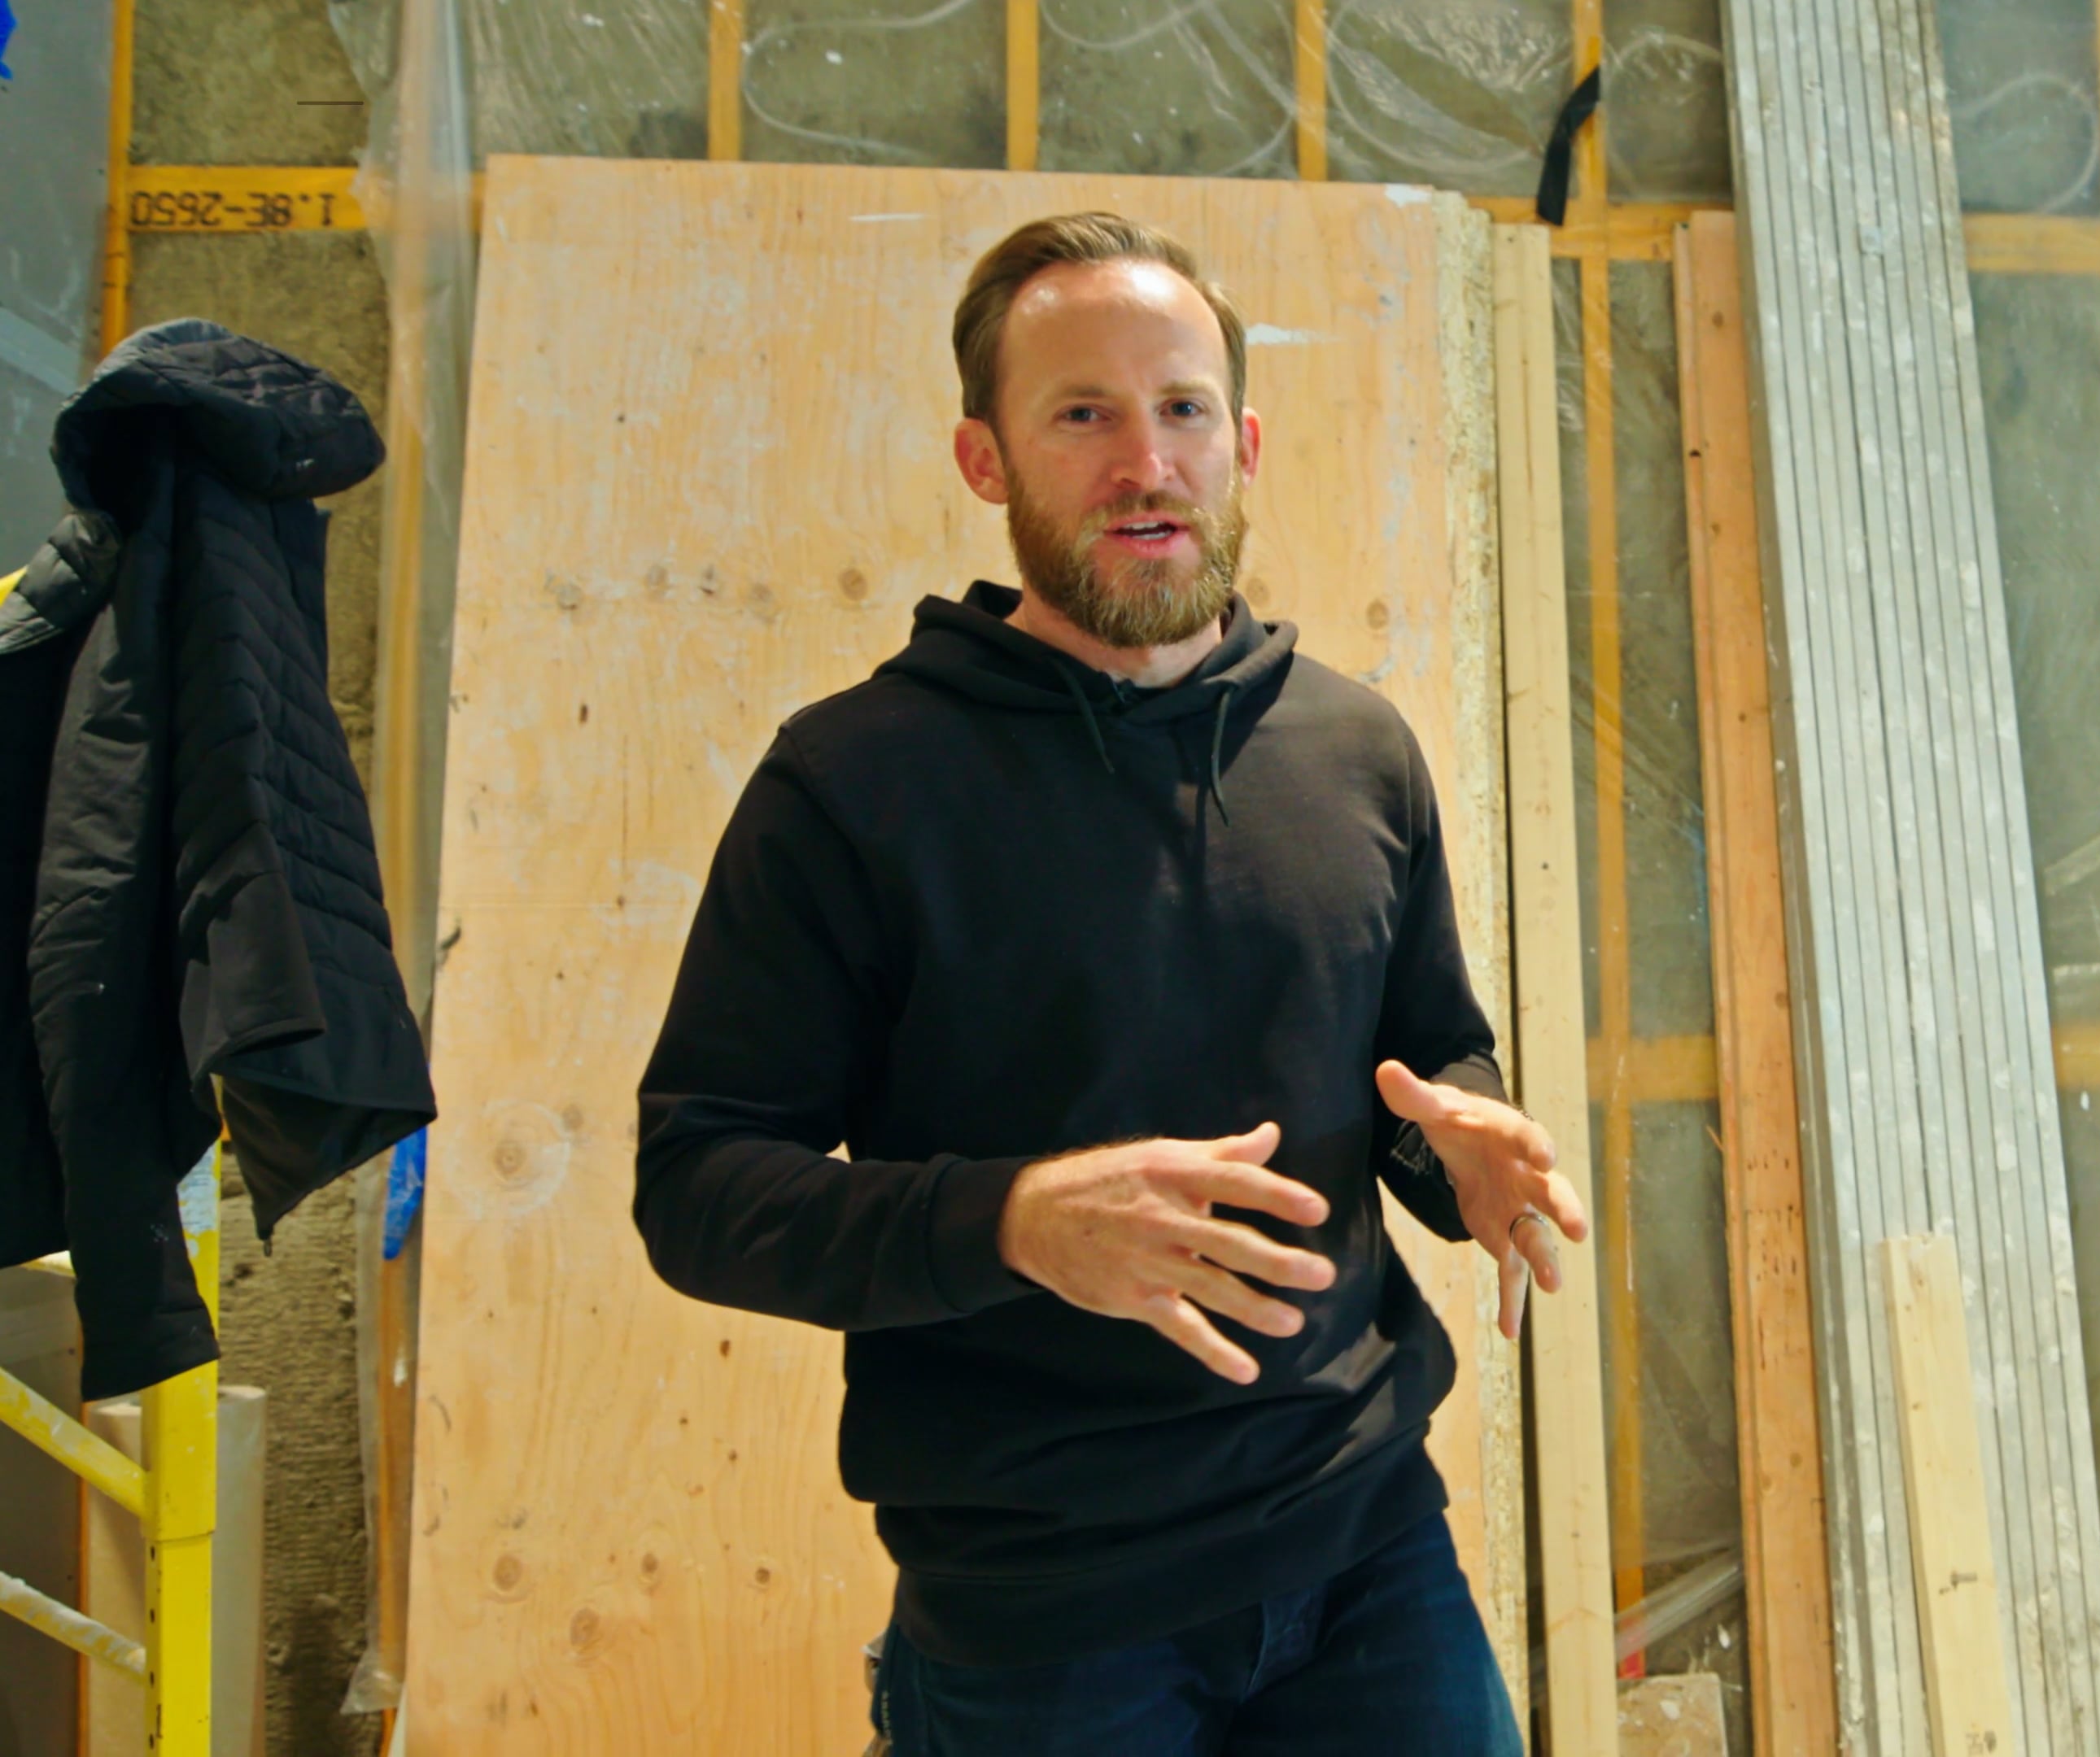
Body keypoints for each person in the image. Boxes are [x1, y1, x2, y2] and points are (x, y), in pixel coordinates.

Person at [634, 212, 1583, 1756]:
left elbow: (1423, 1065)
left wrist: (1456, 1146)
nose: (1146, 462)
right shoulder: (855, 785)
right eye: (1083, 414)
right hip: (1046, 1621)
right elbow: (696, 1186)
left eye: (1183, 409)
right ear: (985, 460)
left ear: (1244, 440)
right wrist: (1011, 1223)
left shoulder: (1352, 751)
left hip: (1370, 1555)